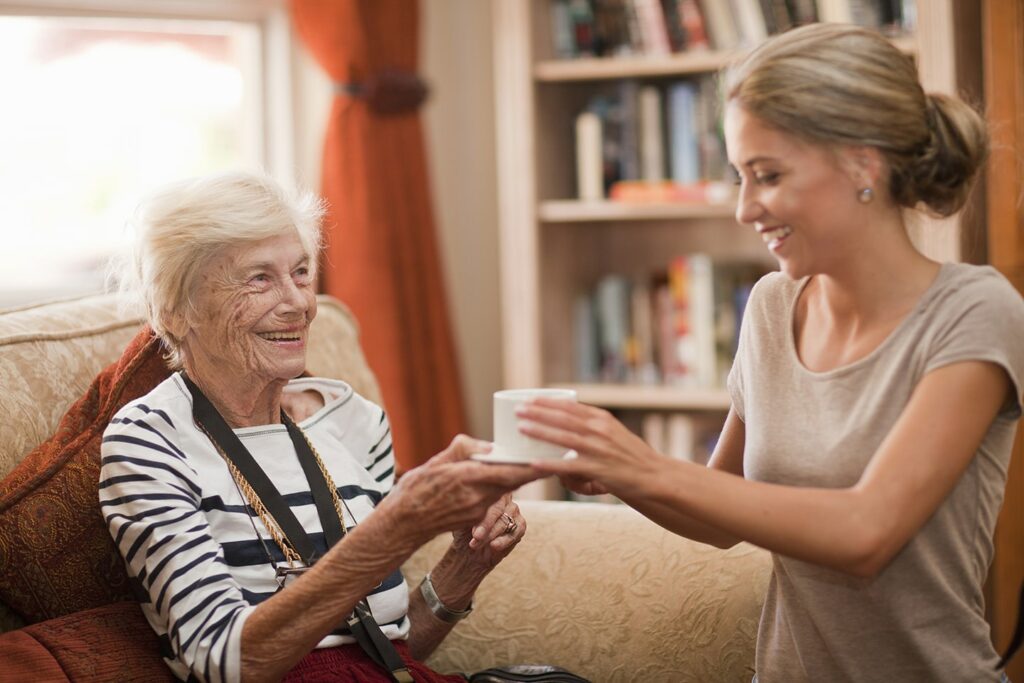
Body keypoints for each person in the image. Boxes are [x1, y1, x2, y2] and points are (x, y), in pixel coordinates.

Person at [517, 23, 1024, 683]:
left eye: (767, 175)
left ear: (861, 164)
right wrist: (614, 470)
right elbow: (725, 512)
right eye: (738, 176)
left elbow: (866, 532)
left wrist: (643, 462)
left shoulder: (976, 313)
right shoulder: (770, 305)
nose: (744, 207)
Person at [99, 171, 541, 683]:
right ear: (174, 311)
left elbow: (390, 655)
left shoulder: (355, 423)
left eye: (302, 273)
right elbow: (225, 666)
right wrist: (395, 528)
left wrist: (465, 566)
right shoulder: (150, 441)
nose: (298, 304)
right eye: (259, 278)